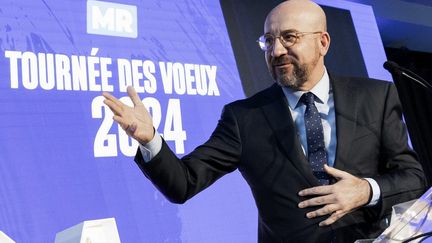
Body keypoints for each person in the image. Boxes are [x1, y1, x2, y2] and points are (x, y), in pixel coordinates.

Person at [102, 0, 426, 242]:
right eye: (268, 41)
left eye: (289, 37)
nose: (276, 50)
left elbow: (414, 177)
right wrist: (149, 140)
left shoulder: (377, 97)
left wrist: (365, 190)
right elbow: (183, 183)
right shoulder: (244, 118)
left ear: (323, 42)